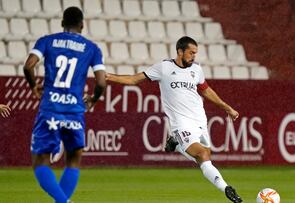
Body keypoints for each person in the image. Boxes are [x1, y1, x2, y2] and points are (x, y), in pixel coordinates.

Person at [106, 36, 243, 203]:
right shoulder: (164, 68)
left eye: (195, 53)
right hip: (181, 122)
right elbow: (134, 79)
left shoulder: (196, 70)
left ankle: (176, 144)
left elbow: (206, 91)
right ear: (180, 51)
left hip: (200, 120)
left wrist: (227, 108)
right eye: (191, 53)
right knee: (201, 153)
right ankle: (226, 189)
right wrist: (108, 77)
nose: (194, 56)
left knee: (205, 156)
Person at [23, 7, 106, 203]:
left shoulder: (47, 41)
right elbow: (101, 82)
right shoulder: (92, 48)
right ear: (82, 25)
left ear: (62, 23)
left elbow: (28, 66)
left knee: (40, 161)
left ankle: (63, 202)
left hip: (50, 107)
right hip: (74, 111)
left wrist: (34, 86)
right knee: (74, 159)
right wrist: (93, 99)